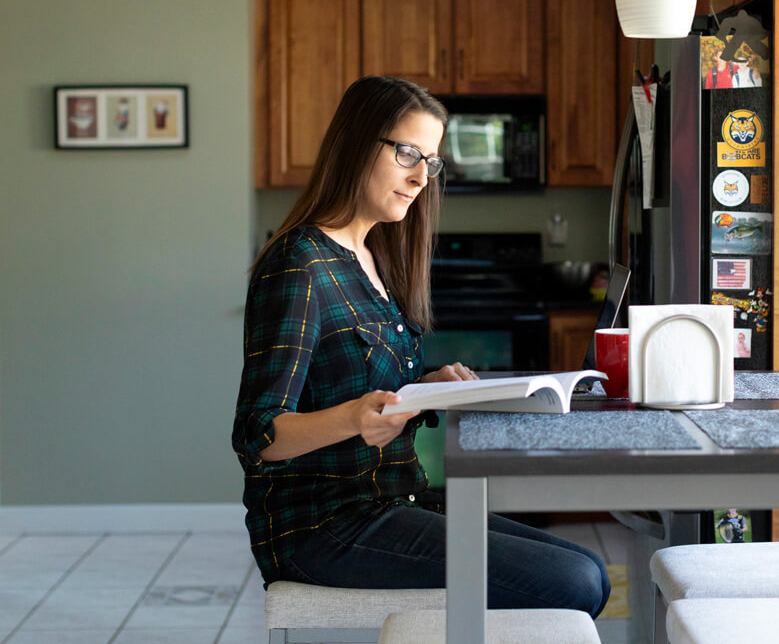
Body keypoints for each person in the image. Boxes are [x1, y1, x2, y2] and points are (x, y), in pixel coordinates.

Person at [233, 76, 609, 616]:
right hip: (323, 525)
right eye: (407, 152)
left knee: (591, 570)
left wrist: (425, 390)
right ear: (357, 142)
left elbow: (367, 385)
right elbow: (256, 435)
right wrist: (354, 418)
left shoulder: (374, 255)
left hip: (394, 496)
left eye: (430, 162)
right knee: (573, 582)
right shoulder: (299, 263)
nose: (419, 177)